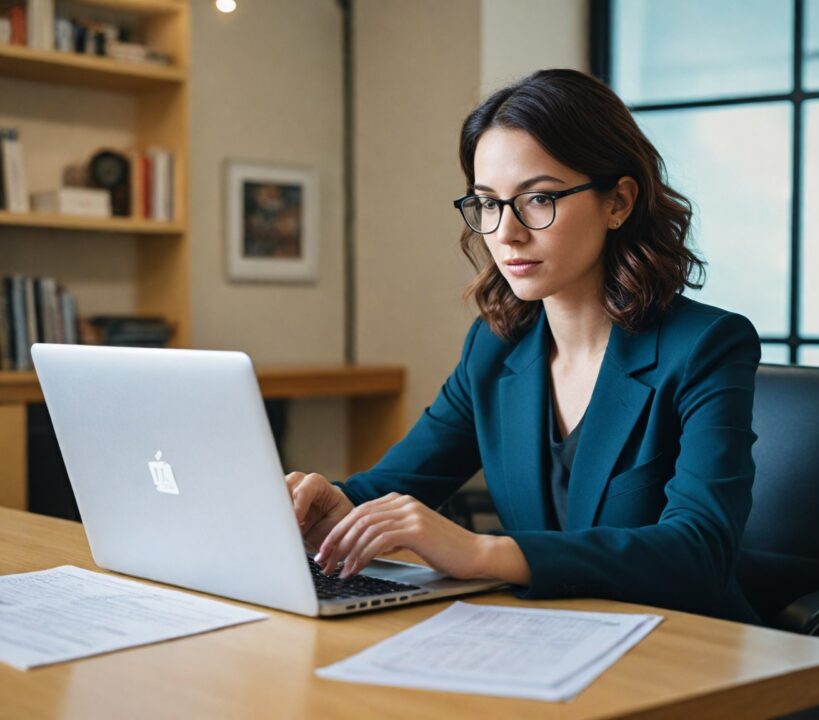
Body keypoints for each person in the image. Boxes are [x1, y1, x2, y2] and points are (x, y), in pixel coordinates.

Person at [286, 68, 762, 623]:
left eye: (538, 198)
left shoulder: (706, 347)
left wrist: (481, 552)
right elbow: (395, 485)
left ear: (618, 202)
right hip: (548, 638)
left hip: (683, 645)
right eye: (488, 203)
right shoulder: (493, 350)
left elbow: (699, 552)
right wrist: (334, 506)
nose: (506, 233)